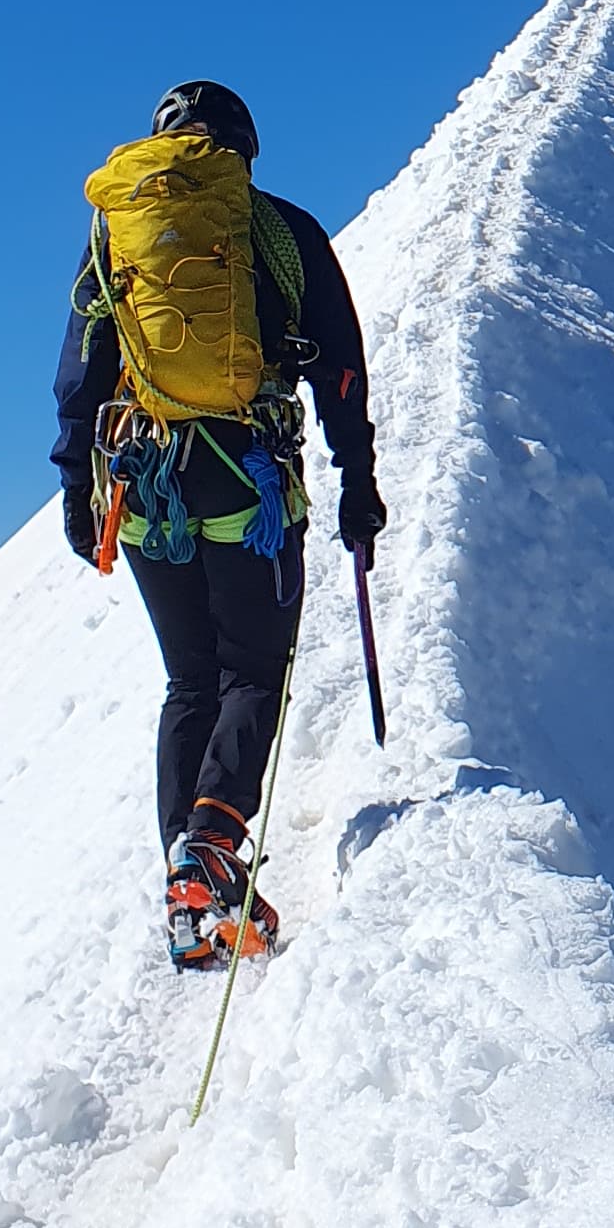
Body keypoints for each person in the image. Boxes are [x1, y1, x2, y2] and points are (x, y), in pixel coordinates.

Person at [52, 80, 387, 969]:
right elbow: (341, 370)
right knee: (253, 671)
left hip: (143, 485)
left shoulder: (116, 233)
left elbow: (81, 372)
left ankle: (186, 889)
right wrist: (359, 480)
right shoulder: (279, 231)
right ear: (244, 151)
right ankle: (209, 848)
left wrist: (75, 490)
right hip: (248, 484)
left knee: (191, 681)